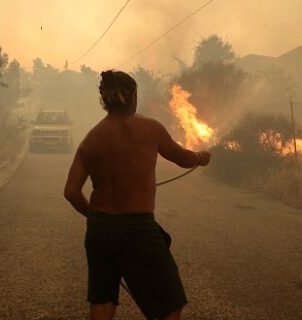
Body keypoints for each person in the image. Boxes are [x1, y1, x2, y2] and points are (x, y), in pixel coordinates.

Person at [64, 70, 211, 320]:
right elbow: (183, 158)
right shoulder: (150, 129)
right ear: (133, 98)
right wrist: (200, 157)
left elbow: (71, 192)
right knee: (169, 304)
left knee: (103, 299)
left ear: (104, 100)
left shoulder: (91, 140)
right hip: (137, 228)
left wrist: (95, 217)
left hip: (100, 229)